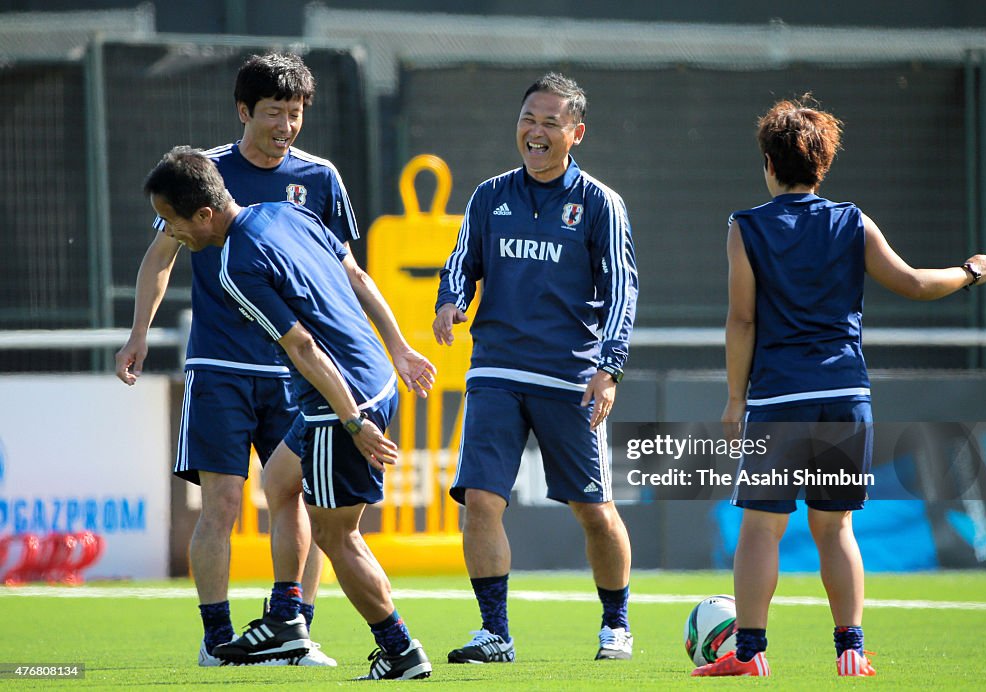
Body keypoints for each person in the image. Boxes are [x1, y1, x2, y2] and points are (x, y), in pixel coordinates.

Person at [115, 53, 432, 667]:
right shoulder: (206, 178)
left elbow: (336, 297)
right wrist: (138, 333)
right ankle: (235, 634)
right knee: (255, 493)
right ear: (243, 112)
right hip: (230, 367)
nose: (286, 125)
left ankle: (378, 644)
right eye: (274, 113)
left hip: (318, 376)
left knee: (332, 527)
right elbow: (160, 256)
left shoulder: (309, 187)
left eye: (295, 114)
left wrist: (378, 376)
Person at [692, 96, 986, 678]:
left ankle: (751, 654)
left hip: (779, 399)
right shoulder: (851, 221)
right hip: (844, 396)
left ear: (768, 162)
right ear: (823, 163)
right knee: (835, 527)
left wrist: (736, 398)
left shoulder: (746, 227)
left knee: (761, 526)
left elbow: (742, 321)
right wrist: (969, 272)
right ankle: (851, 650)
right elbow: (911, 281)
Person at [433, 72, 640, 663]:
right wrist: (450, 301)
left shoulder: (600, 203)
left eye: (551, 122)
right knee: (480, 500)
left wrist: (610, 368)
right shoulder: (489, 195)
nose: (537, 131)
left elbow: (623, 290)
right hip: (495, 370)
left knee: (594, 511)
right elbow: (460, 261)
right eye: (529, 118)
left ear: (577, 133)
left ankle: (616, 625)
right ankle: (494, 633)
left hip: (570, 378)